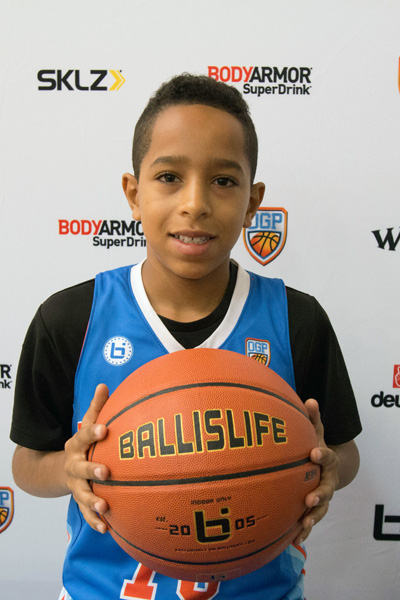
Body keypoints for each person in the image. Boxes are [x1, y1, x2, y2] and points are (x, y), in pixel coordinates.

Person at [10, 73, 361, 600]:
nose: (195, 203)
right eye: (169, 177)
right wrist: (70, 468)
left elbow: (344, 453)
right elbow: (26, 466)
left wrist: (328, 468)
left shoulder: (297, 319)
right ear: (133, 194)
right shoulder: (70, 319)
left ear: (252, 202)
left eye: (223, 181)